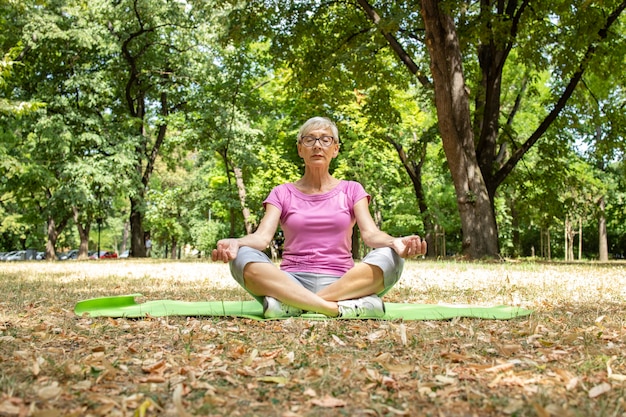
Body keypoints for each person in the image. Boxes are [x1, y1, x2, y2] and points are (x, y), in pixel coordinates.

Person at [212, 116, 427, 318]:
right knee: (241, 257)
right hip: (290, 280)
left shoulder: (352, 190)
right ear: (300, 149)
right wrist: (236, 243)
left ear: (335, 149)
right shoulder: (281, 192)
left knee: (393, 257)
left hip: (345, 281)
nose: (317, 145)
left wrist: (395, 242)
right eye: (309, 139)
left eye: (325, 140)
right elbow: (261, 238)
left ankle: (293, 305)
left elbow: (370, 235)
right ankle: (337, 308)